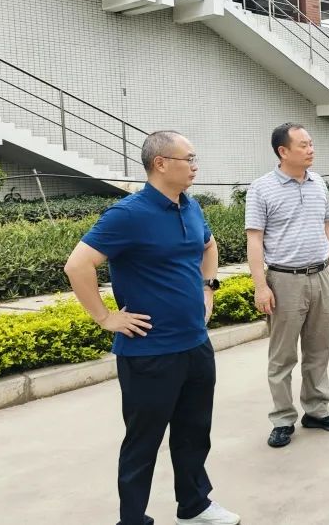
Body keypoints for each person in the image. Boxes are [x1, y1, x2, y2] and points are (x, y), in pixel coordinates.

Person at [63, 131, 239, 525]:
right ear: (160, 163)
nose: (195, 166)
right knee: (143, 442)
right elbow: (77, 265)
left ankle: (194, 505)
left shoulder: (189, 206)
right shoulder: (128, 214)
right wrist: (106, 317)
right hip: (149, 351)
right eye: (188, 159)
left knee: (194, 431)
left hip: (195, 344)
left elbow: (208, 245)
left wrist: (208, 286)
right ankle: (132, 519)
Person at [246, 123, 329, 449]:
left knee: (318, 349)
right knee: (283, 355)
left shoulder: (319, 183)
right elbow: (254, 239)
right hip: (284, 280)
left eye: (311, 144)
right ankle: (282, 418)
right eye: (303, 145)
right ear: (283, 151)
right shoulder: (261, 188)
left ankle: (317, 410)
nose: (310, 149)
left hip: (320, 276)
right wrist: (261, 286)